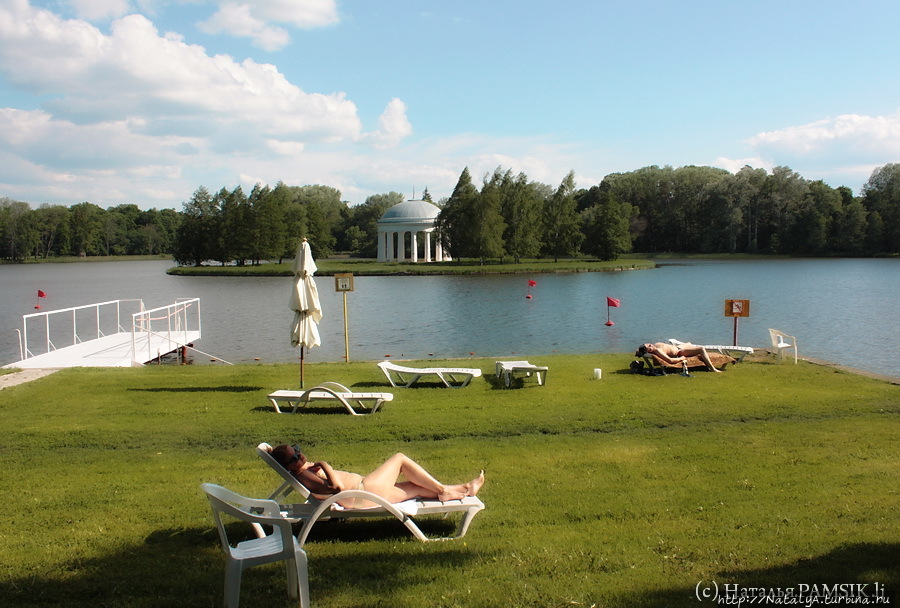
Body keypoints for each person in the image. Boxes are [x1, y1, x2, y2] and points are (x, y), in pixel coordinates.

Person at [270, 444, 485, 508]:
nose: (300, 454)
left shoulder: (302, 472)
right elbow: (337, 490)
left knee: (415, 487)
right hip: (365, 492)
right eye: (294, 456)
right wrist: (324, 465)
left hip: (365, 495)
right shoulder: (304, 476)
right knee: (400, 459)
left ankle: (463, 489)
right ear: (289, 466)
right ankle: (445, 490)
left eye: (296, 449)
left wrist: (308, 465)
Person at [635, 341, 723, 373]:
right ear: (649, 351)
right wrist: (682, 358)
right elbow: (670, 360)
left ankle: (704, 359)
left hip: (680, 347)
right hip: (680, 352)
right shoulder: (658, 351)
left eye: (649, 344)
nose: (651, 346)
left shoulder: (656, 346)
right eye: (649, 348)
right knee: (702, 349)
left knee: (689, 342)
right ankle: (712, 368)